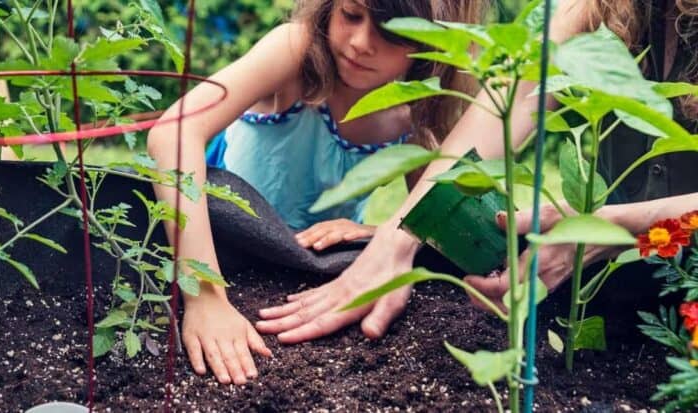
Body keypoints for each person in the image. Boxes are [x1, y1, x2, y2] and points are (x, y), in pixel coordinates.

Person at [257, 0, 698, 342]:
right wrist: (396, 238)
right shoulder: (603, 6)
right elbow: (508, 98)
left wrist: (618, 224)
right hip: (614, 291)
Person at [147, 0, 486, 385]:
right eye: (352, 15)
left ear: (435, 45)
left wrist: (378, 233)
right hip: (225, 241)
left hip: (312, 269)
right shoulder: (297, 52)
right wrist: (204, 297)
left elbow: (442, 219)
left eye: (392, 33)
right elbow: (174, 134)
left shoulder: (410, 117)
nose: (360, 42)